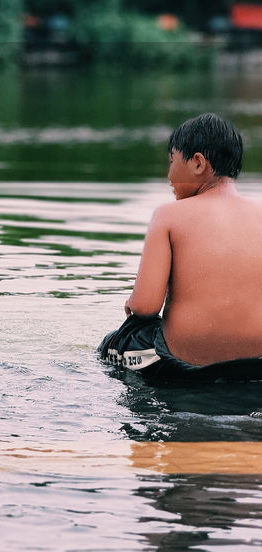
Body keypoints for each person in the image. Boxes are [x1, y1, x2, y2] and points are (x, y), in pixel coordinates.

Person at [99, 112, 262, 381]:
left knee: (118, 340)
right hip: (255, 365)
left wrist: (132, 302)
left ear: (197, 163)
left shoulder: (169, 215)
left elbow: (146, 306)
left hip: (184, 366)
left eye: (172, 161)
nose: (168, 175)